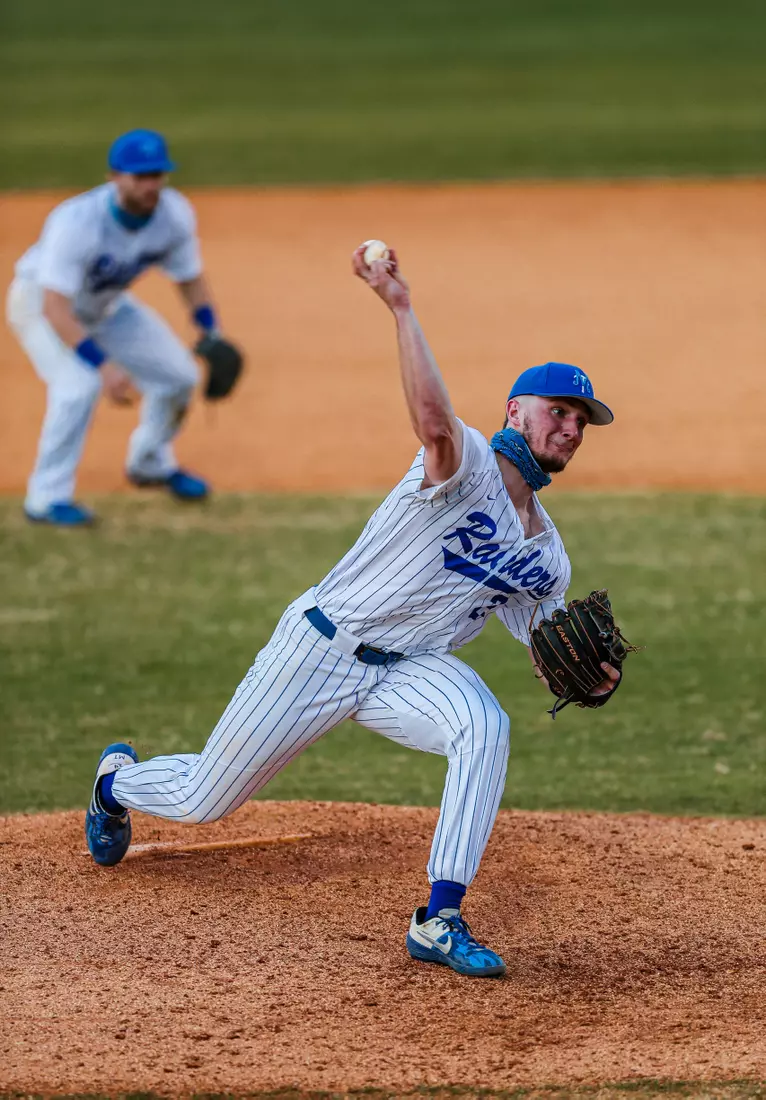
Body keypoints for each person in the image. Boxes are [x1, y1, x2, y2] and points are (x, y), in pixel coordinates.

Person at [84, 245, 620, 978]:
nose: (569, 428)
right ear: (515, 410)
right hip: (319, 651)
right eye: (558, 412)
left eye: (581, 421)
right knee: (206, 798)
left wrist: (592, 678)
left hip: (410, 670)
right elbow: (431, 420)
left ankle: (439, 916)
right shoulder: (460, 462)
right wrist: (400, 305)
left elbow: (546, 644)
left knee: (484, 726)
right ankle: (116, 782)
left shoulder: (548, 555)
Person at [6, 128, 234, 526]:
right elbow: (56, 307)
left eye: (157, 175)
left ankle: (150, 463)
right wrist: (105, 366)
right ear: (114, 177)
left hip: (106, 305)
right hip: (39, 305)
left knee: (178, 376)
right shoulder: (77, 221)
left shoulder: (173, 214)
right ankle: (45, 498)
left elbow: (189, 278)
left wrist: (209, 330)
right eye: (140, 175)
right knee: (79, 386)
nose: (150, 184)